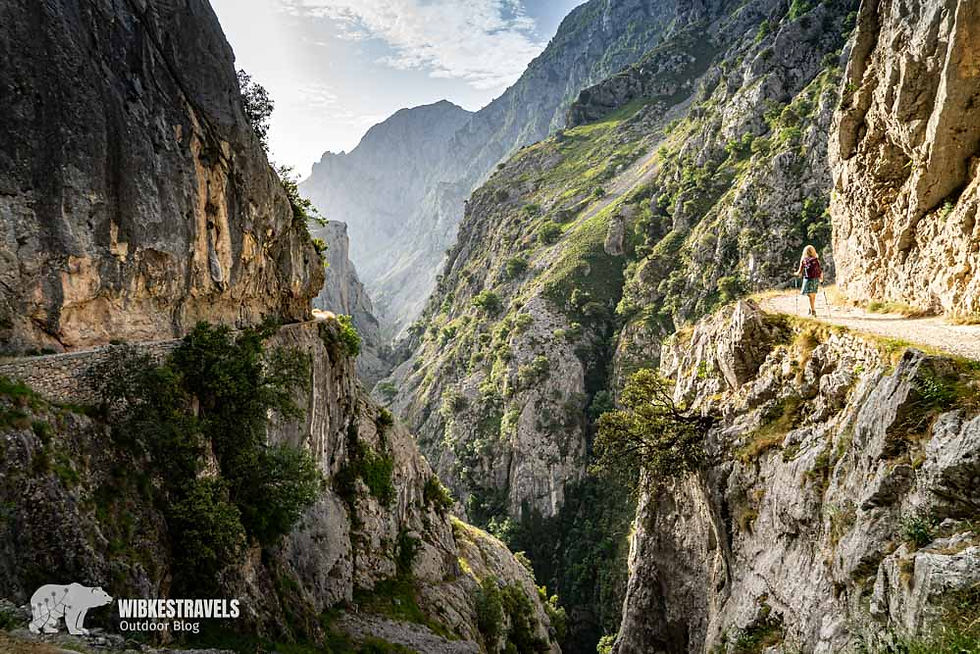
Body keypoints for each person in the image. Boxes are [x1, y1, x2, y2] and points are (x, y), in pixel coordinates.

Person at [795, 245, 823, 316]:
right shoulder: (816, 260)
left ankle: (813, 311)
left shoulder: (804, 260)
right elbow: (820, 270)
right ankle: (811, 309)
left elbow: (799, 272)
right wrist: (821, 278)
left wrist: (795, 274)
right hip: (815, 279)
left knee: (810, 295)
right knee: (813, 295)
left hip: (808, 279)